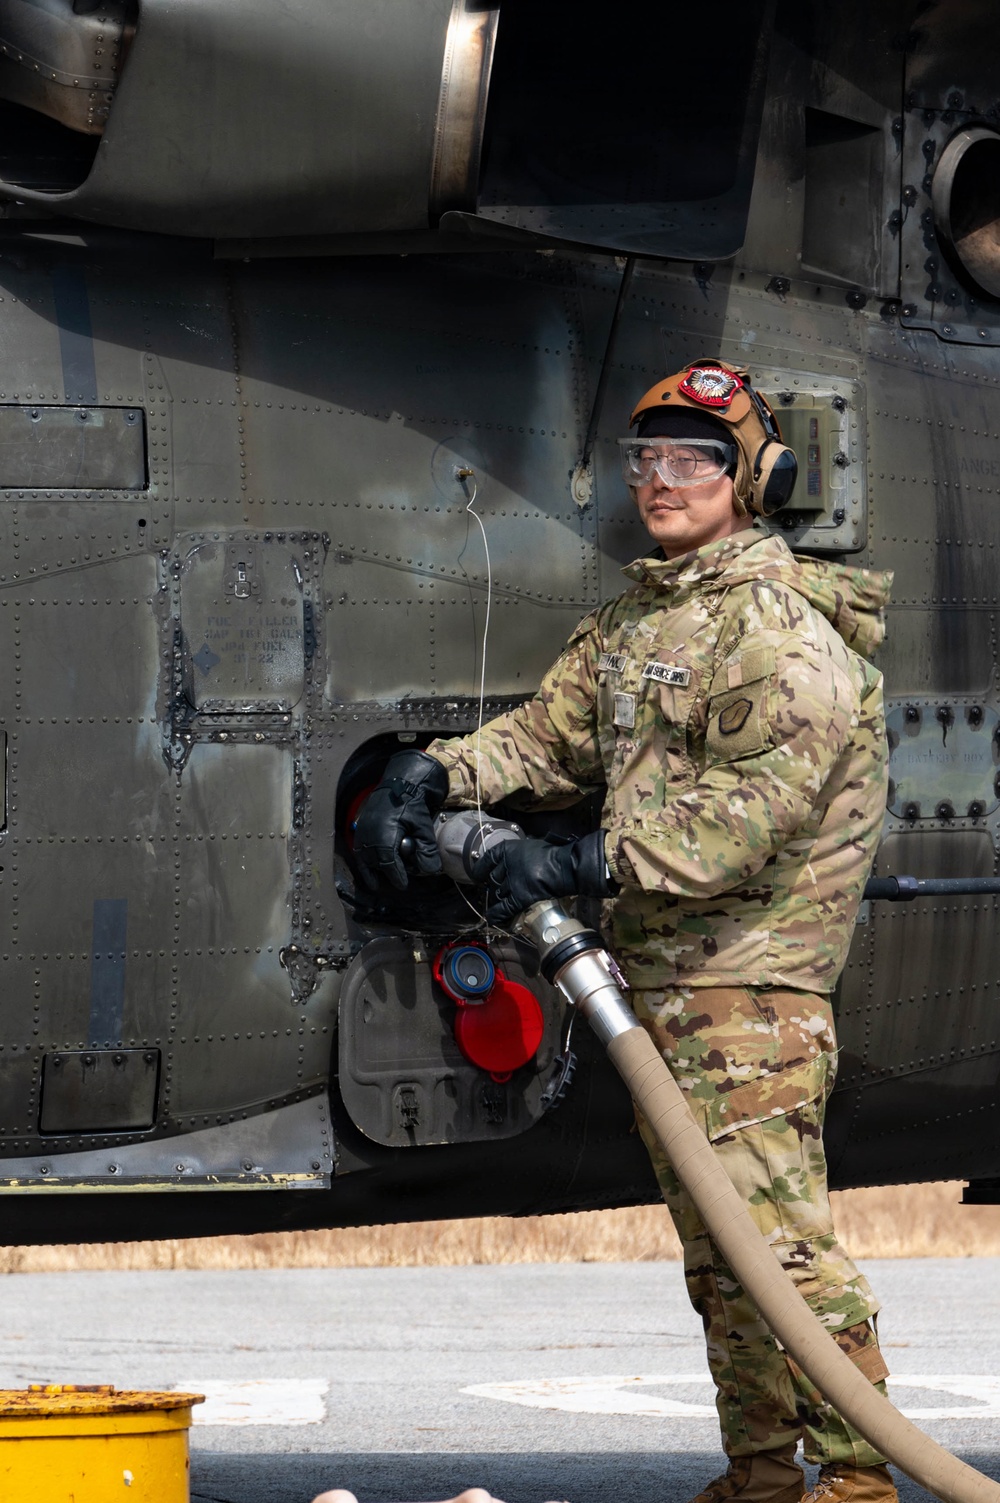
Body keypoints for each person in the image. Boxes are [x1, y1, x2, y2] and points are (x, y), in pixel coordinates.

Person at [354, 360, 895, 1503]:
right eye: (648, 458)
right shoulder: (642, 621)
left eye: (694, 458)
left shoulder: (778, 631)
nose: (663, 481)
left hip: (752, 990)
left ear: (754, 477)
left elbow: (746, 817)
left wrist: (585, 860)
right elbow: (550, 742)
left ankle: (857, 1483)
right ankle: (759, 1477)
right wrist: (435, 772)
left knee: (783, 1252)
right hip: (669, 985)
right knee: (720, 1258)